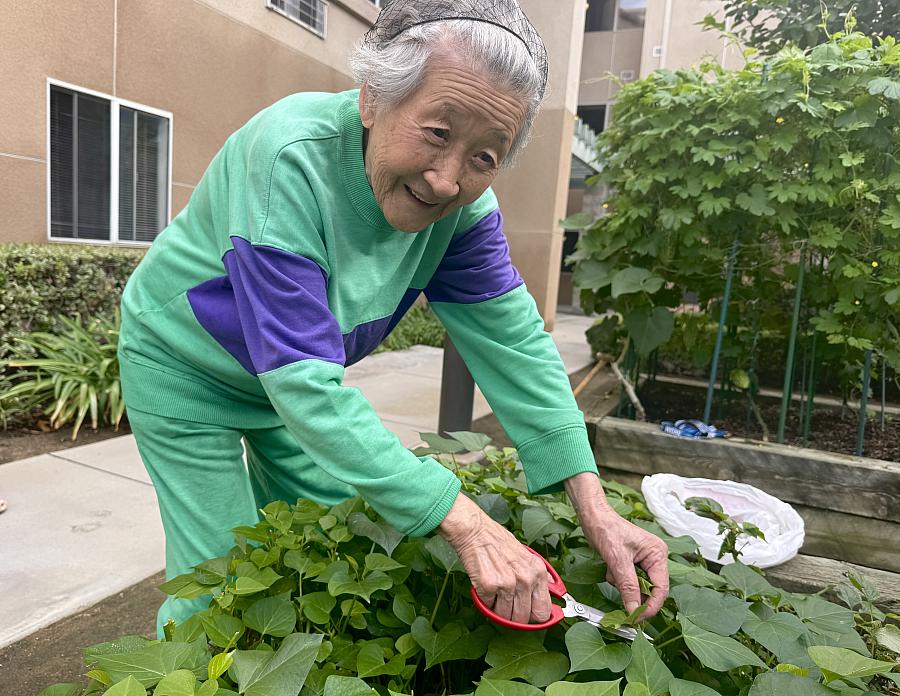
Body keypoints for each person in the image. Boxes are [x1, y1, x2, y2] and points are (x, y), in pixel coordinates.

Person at [118, 0, 669, 638]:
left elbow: (514, 343)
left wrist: (593, 505)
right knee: (219, 577)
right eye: (437, 132)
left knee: (331, 536)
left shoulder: (465, 211)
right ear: (373, 98)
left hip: (292, 383)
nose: (445, 180)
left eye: (484, 156)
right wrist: (467, 523)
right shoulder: (289, 155)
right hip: (184, 367)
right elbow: (302, 379)